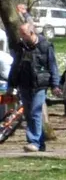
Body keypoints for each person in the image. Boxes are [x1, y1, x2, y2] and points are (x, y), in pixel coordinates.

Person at [9, 23, 56, 153]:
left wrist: (55, 85)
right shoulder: (21, 47)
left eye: (23, 34)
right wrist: (12, 83)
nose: (21, 37)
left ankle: (33, 141)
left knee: (36, 112)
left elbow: (52, 65)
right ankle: (40, 143)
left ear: (31, 33)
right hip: (24, 84)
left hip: (40, 84)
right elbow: (15, 66)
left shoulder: (45, 46)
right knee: (29, 114)